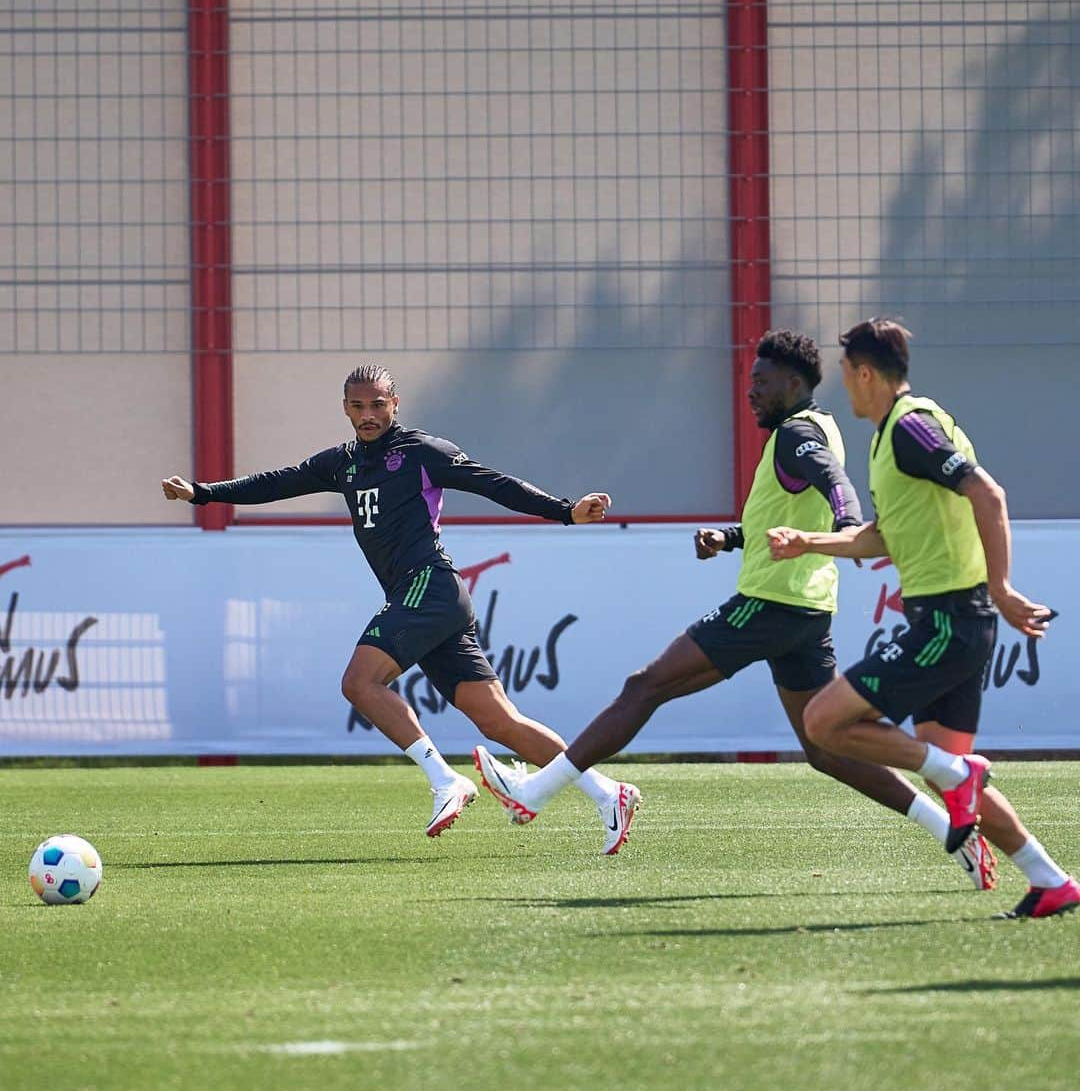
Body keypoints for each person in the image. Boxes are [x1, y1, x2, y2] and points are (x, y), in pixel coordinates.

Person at [473, 329, 997, 889]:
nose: (752, 392)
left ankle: (536, 793)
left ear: (793, 383)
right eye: (750, 382)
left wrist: (848, 521)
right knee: (824, 749)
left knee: (644, 686)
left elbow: (834, 483)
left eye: (762, 382)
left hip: (769, 607)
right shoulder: (812, 429)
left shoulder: (797, 436)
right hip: (806, 610)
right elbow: (789, 512)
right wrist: (729, 537)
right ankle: (950, 831)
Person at [162, 362, 637, 852]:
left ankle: (445, 781)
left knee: (359, 683)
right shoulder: (342, 462)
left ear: (395, 403)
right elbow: (279, 482)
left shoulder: (423, 452)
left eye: (377, 404)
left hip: (429, 585)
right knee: (499, 722)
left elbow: (495, 483)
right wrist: (203, 493)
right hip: (423, 599)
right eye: (357, 405)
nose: (368, 414)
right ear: (345, 407)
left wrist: (565, 511)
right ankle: (608, 794)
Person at [765, 318, 1078, 920]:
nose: (844, 390)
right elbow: (881, 537)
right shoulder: (891, 436)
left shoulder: (910, 428)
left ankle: (959, 775)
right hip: (953, 623)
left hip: (947, 623)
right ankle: (1050, 880)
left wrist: (1002, 585)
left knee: (824, 722)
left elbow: (988, 494)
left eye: (846, 378)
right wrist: (808, 541)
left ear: (865, 374)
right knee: (947, 773)